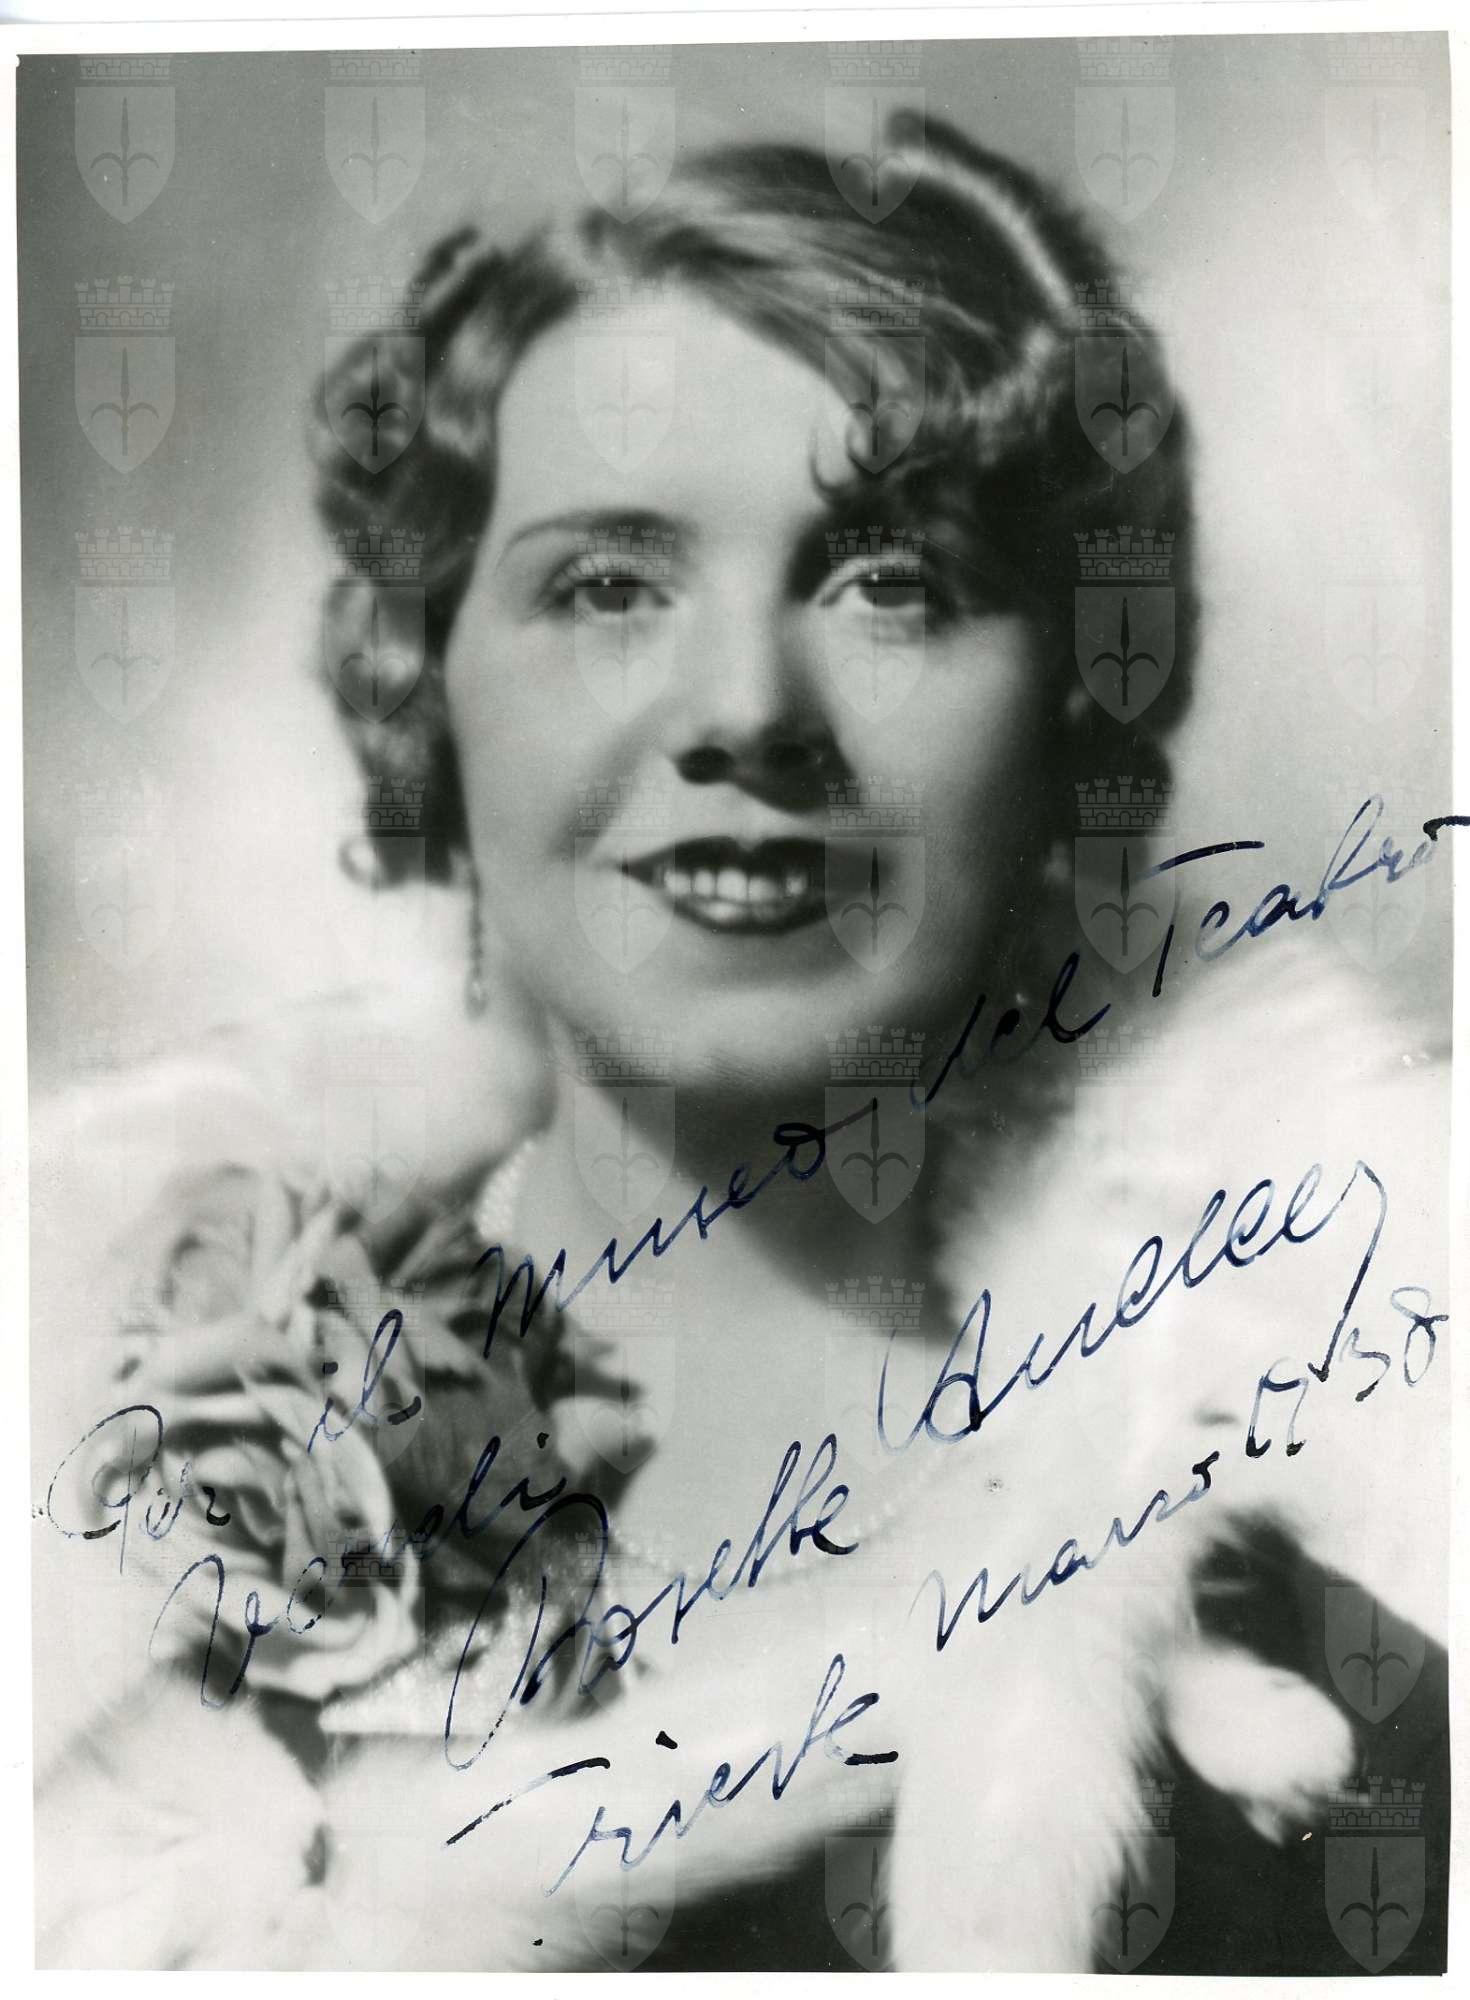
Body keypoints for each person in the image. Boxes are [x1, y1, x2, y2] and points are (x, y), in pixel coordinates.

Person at [35, 109, 1448, 1972]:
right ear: (426, 689)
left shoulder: (1341, 1732)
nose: (746, 708)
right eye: (608, 585)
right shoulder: (63, 1538)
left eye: (893, 582)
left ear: (1066, 717)